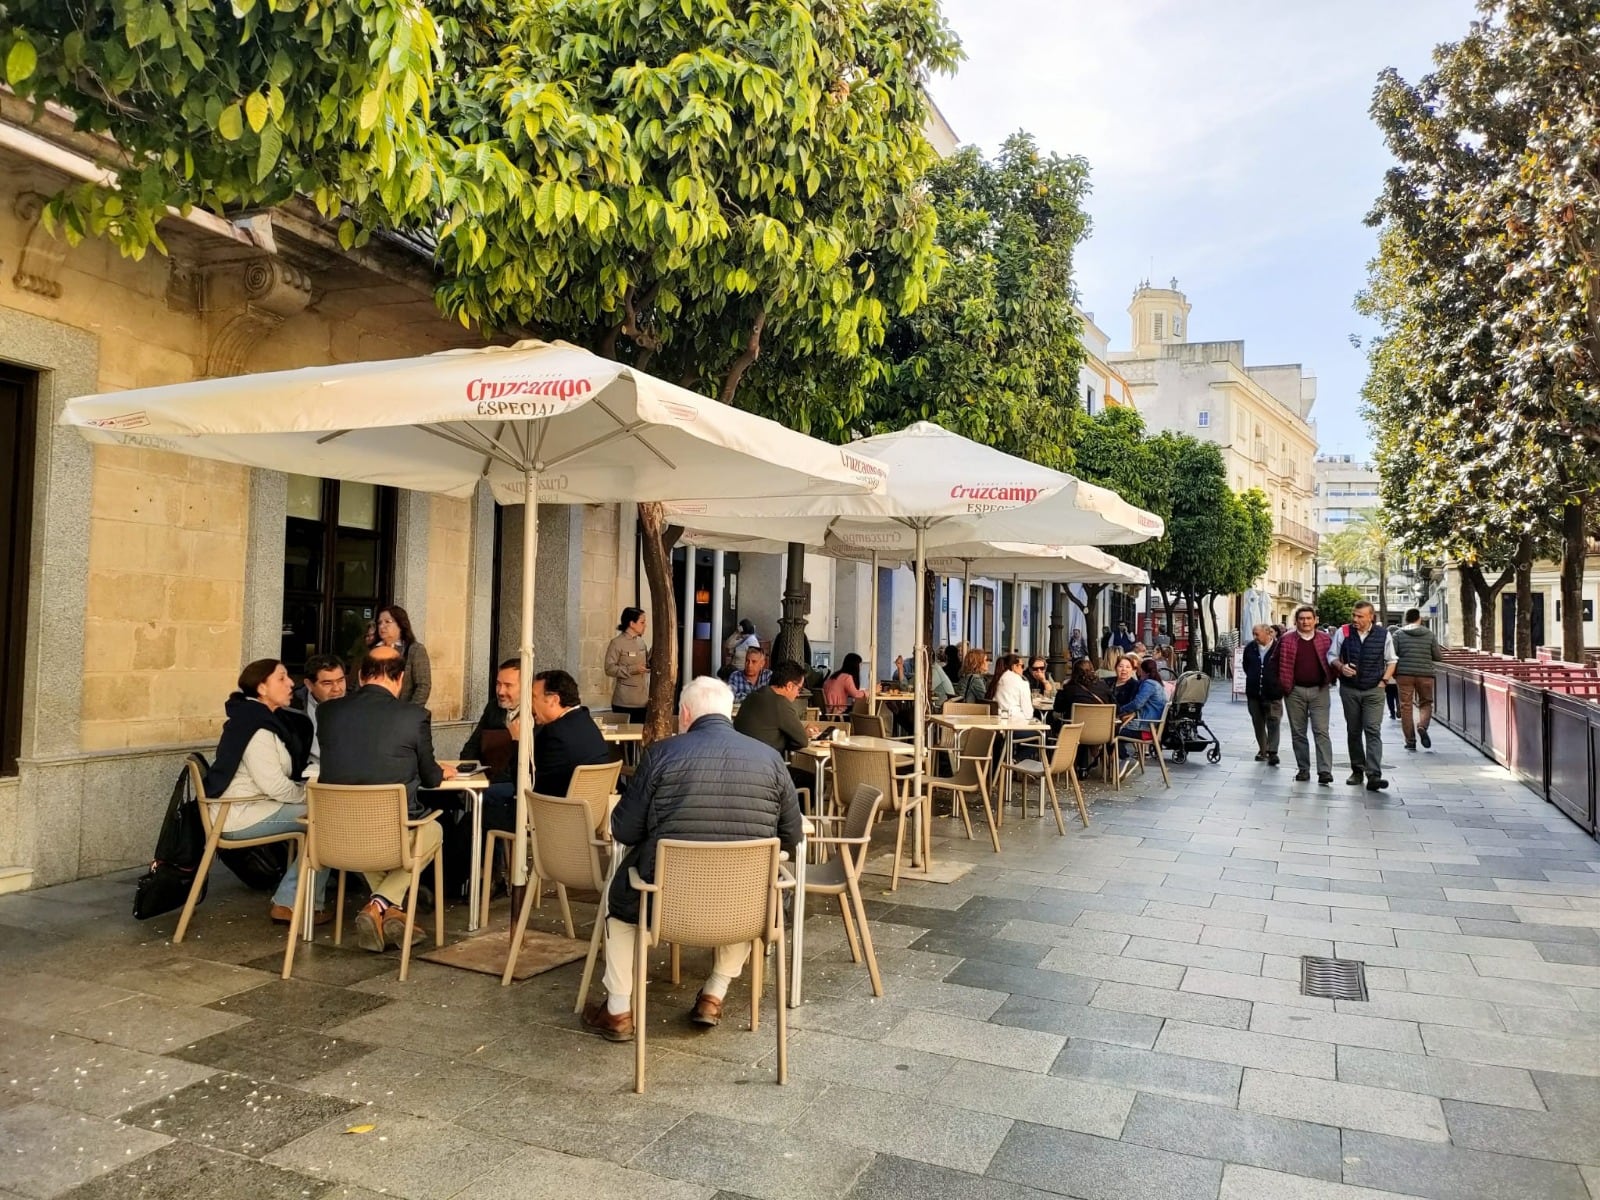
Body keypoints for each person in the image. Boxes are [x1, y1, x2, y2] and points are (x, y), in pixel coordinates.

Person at [581, 677, 804, 1040]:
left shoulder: (661, 754)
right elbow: (791, 836)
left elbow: (623, 830)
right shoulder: (771, 759)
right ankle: (714, 994)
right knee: (753, 888)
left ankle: (619, 1010)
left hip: (664, 902)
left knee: (619, 905)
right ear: (728, 712)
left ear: (685, 714)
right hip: (741, 904)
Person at [316, 649, 456, 952]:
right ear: (401, 678)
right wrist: (441, 770)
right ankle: (381, 906)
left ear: (362, 676)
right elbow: (432, 779)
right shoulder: (414, 716)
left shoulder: (326, 713)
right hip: (389, 835)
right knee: (433, 832)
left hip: (335, 836)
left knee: (366, 832)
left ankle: (390, 912)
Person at [202, 659, 328, 925]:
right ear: (261, 687)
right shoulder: (257, 728)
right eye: (281, 678)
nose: (290, 683)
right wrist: (309, 796)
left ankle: (299, 901)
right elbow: (274, 785)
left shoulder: (254, 717)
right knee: (329, 822)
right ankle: (290, 904)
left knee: (326, 818)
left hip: (248, 807)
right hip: (240, 814)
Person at [1329, 601, 1397, 792]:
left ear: (1370, 617)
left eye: (1360, 616)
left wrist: (1384, 681)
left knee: (1373, 730)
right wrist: (1341, 667)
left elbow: (1391, 660)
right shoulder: (1344, 632)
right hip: (1350, 689)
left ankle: (1374, 775)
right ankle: (1357, 770)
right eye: (1354, 615)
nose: (1355, 619)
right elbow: (1331, 655)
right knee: (1353, 730)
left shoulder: (1383, 635)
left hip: (1374, 689)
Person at [1276, 605, 1337, 785]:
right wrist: (1283, 685)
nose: (1306, 622)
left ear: (1315, 620)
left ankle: (1325, 770)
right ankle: (1303, 769)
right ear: (1296, 621)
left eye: (1309, 618)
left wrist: (1331, 679)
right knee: (1298, 732)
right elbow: (1274, 662)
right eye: (1302, 618)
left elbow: (1334, 660)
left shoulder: (1325, 640)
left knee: (1321, 731)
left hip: (1319, 690)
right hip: (1294, 691)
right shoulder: (1286, 640)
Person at [733, 659, 819, 769]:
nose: (798, 694)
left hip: (739, 764)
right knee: (811, 780)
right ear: (789, 686)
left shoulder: (752, 696)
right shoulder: (780, 703)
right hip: (762, 770)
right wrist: (803, 733)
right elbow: (802, 741)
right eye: (799, 689)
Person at [1393, 608, 1443, 752]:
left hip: (1404, 675)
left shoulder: (1398, 634)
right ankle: (1422, 726)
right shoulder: (1429, 634)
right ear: (1419, 619)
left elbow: (1393, 655)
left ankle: (1410, 741)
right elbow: (1438, 656)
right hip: (1425, 674)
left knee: (1406, 707)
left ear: (1406, 619)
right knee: (1426, 702)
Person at [1116, 658, 1167, 780]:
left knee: (1112, 733)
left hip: (1145, 728)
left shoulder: (1149, 684)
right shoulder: (1158, 684)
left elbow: (1137, 703)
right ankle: (1121, 762)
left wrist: (1120, 710)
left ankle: (1126, 759)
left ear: (1142, 671)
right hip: (1151, 727)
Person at [375, 604, 431, 708]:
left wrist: (409, 713)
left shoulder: (415, 650)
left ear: (400, 625)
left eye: (388, 622)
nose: (382, 626)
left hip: (402, 711)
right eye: (379, 623)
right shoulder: (374, 650)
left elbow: (423, 686)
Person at [295, 654, 347, 765]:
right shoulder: (292, 708)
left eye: (341, 681)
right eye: (328, 683)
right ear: (309, 684)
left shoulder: (357, 704)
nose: (337, 689)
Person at [1241, 623, 1282, 766]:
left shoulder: (1279, 647)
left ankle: (1273, 752)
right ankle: (1263, 750)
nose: (1255, 637)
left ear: (1268, 633)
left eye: (1257, 634)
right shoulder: (1250, 648)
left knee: (1274, 721)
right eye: (1253, 634)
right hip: (1254, 692)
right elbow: (1246, 665)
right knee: (1258, 723)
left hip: (1273, 692)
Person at [604, 607, 650, 722]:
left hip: (643, 701)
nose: (645, 625)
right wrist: (632, 669)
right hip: (624, 702)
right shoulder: (617, 643)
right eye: (642, 622)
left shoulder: (641, 642)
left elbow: (646, 663)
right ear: (632, 624)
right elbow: (609, 668)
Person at [989, 653, 1033, 721]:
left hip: (998, 722)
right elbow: (1028, 714)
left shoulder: (997, 679)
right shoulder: (1022, 683)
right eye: (1022, 666)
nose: (1022, 669)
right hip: (1016, 724)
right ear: (1014, 667)